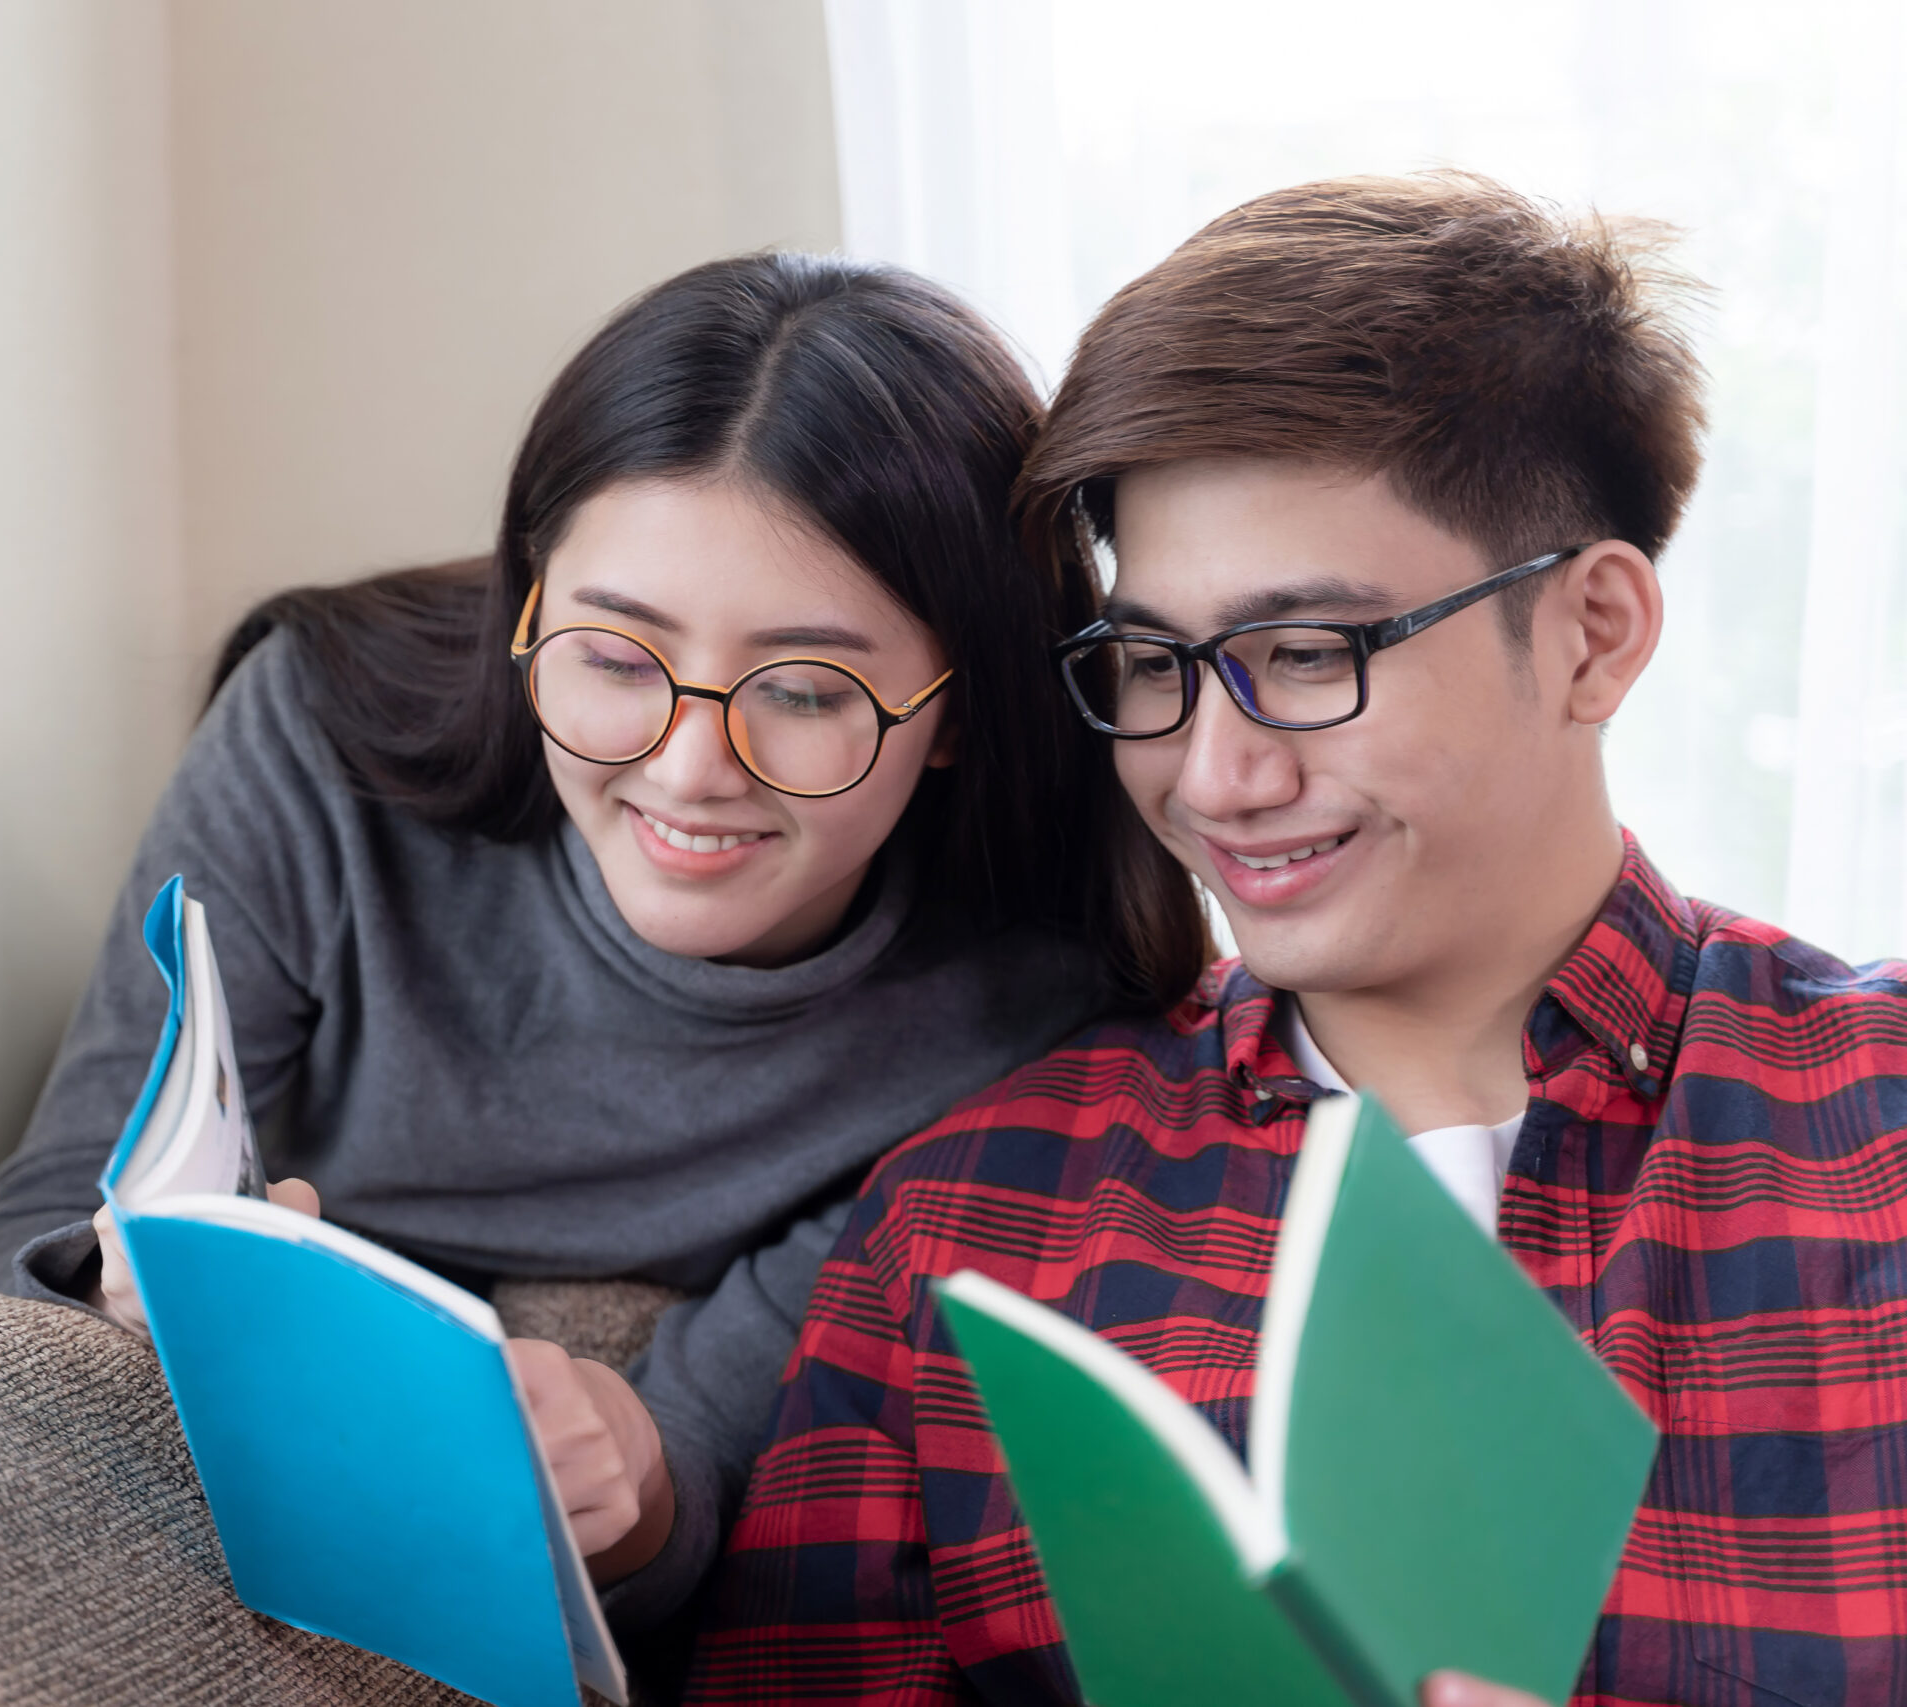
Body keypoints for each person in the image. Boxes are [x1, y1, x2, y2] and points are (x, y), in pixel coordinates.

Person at [686, 175, 1907, 1707]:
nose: (1211, 777)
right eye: (1152, 666)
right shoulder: (964, 1229)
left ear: (1594, 633)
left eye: (1307, 653)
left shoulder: (1879, 1122)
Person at [0, 251, 1206, 1630]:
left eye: (801, 689)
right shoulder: (319, 734)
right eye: (613, 659)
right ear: (531, 608)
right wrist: (117, 1282)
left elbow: (699, 1495)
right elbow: (28, 1235)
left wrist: (629, 1485)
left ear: (960, 712)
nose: (688, 766)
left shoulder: (1019, 1007)